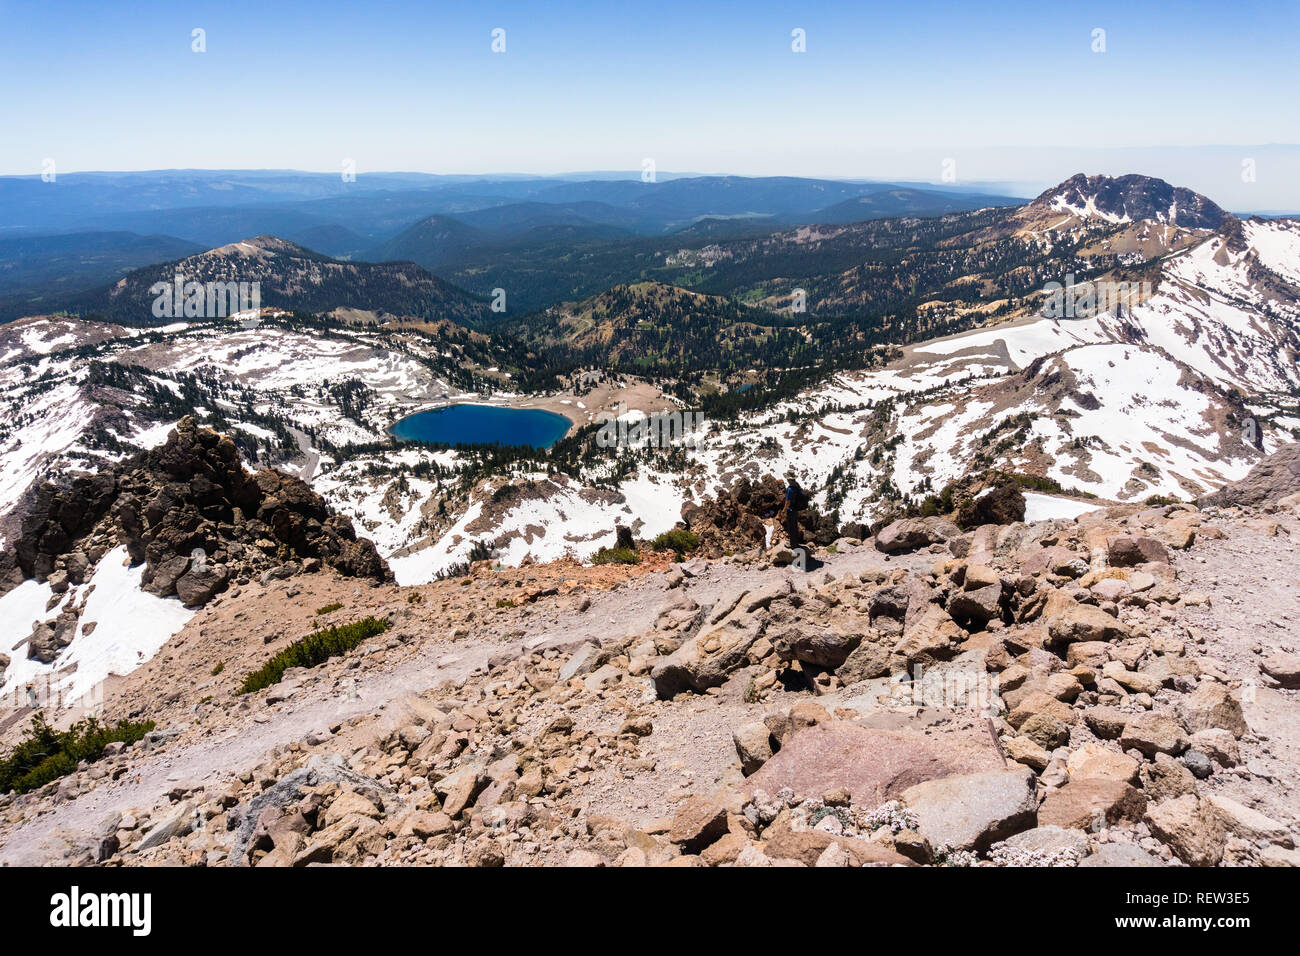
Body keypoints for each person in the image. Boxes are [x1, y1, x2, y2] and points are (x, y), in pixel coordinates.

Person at [779, 472, 807, 546]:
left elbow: (788, 501)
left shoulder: (790, 489)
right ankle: (796, 543)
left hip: (790, 510)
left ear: (789, 479)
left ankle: (793, 544)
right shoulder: (797, 485)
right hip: (795, 509)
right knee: (795, 526)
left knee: (791, 527)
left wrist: (783, 510)